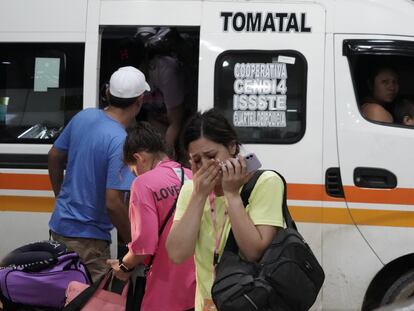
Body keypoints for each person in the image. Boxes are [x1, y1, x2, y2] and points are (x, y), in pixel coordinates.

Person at [166, 109, 284, 311]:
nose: (204, 166)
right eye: (196, 160)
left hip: (251, 303)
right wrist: (199, 195)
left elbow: (254, 251)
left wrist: (232, 194)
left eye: (211, 156)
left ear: (232, 147)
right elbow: (177, 254)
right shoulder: (191, 190)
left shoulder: (265, 183)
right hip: (207, 304)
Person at [48, 66, 150, 282]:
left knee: (64, 296)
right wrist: (136, 244)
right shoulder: (121, 141)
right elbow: (113, 203)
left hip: (59, 228)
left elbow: (54, 156)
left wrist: (60, 199)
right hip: (89, 241)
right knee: (92, 301)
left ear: (107, 94)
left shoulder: (84, 116)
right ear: (140, 100)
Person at [107, 122, 195, 311]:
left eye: (132, 169)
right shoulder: (193, 176)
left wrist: (123, 268)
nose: (135, 175)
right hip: (199, 285)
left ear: (139, 158)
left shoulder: (143, 184)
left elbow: (144, 246)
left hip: (166, 287)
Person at [137, 27, 186, 156]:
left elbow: (176, 121)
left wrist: (166, 160)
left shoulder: (166, 69)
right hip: (154, 118)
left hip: (178, 119)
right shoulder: (134, 71)